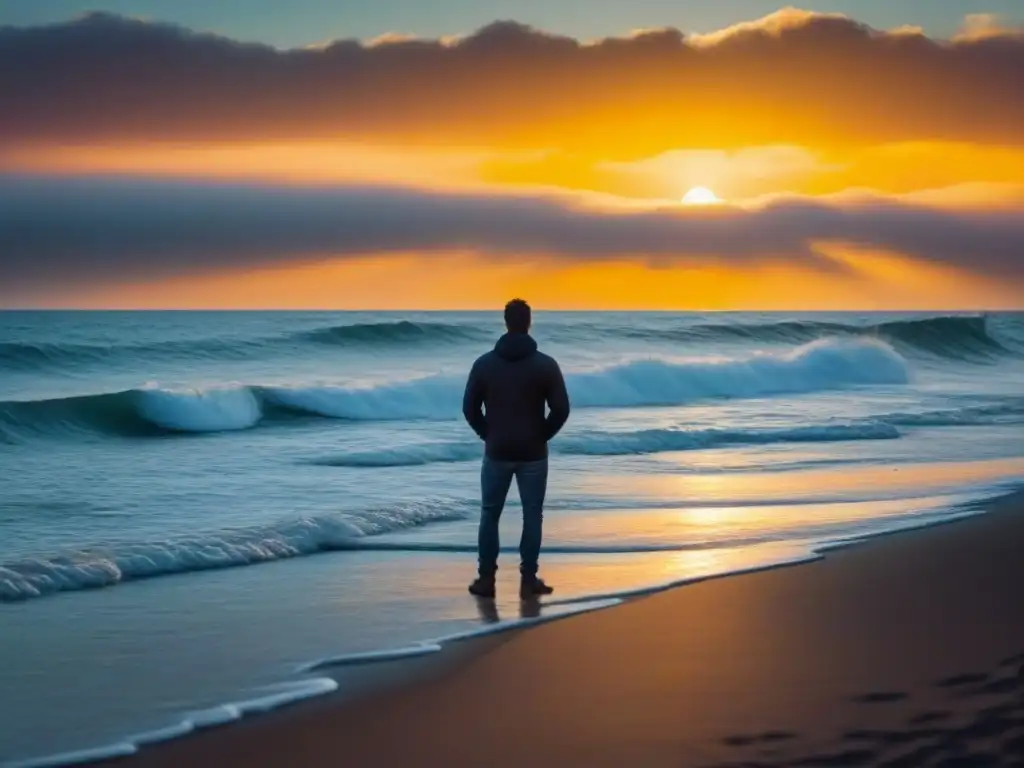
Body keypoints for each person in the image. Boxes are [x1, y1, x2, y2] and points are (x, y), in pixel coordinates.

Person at [462, 298, 570, 599]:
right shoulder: (546, 365)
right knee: (532, 515)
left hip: (497, 451)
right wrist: (542, 436)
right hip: (533, 452)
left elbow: (469, 408)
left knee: (489, 514)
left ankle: (486, 580)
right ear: (529, 322)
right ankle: (528, 580)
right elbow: (561, 409)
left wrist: (489, 435)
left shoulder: (484, 364)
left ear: (506, 322)